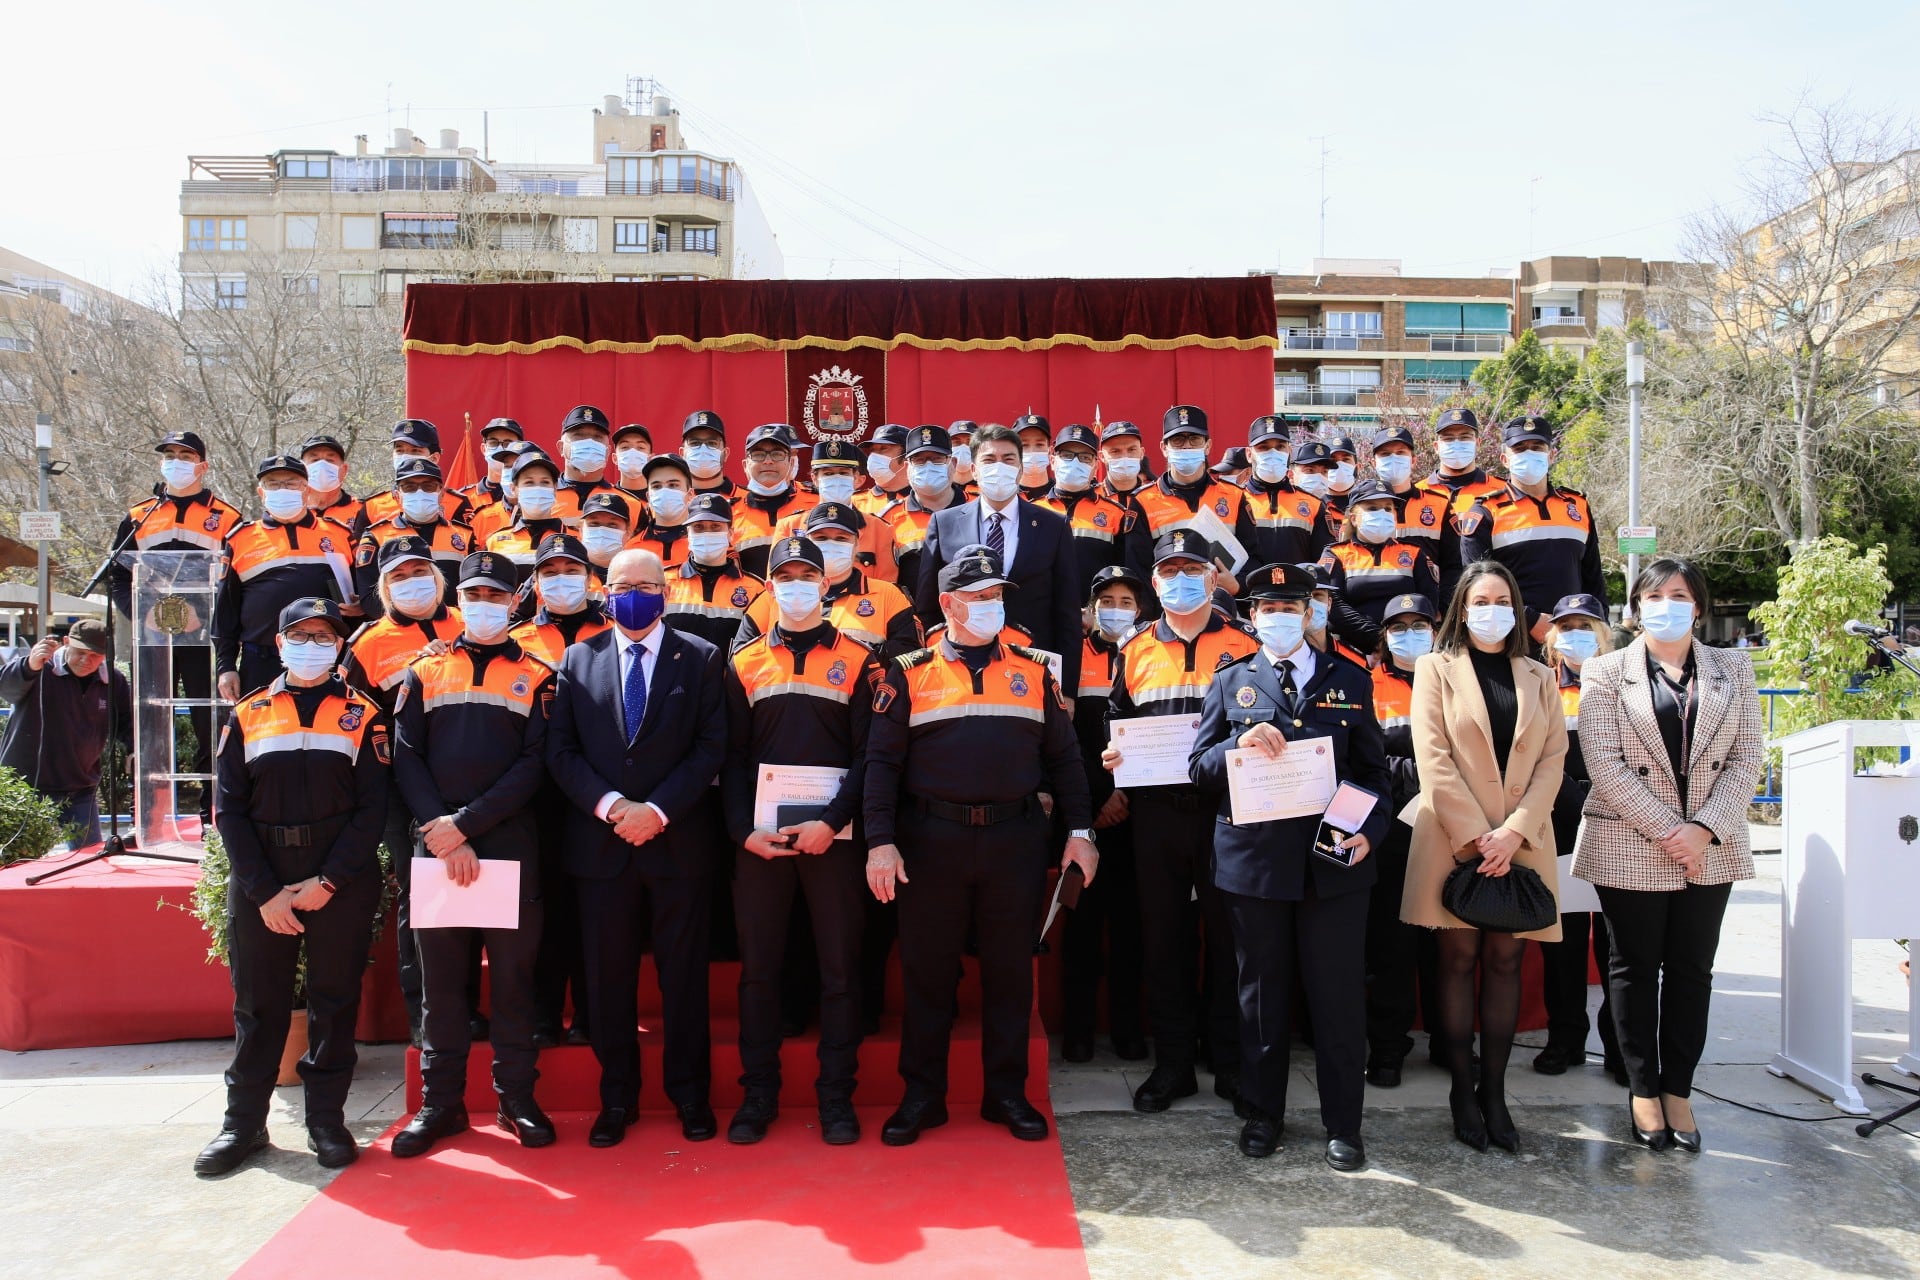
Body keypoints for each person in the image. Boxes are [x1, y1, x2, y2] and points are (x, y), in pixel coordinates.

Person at [864, 546, 1098, 1145]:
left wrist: (1080, 832)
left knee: (1010, 974)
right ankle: (922, 1096)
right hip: (930, 841)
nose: (992, 606)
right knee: (928, 974)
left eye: (997, 596)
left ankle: (1006, 1094)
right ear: (946, 604)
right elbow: (881, 765)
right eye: (978, 597)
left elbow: (1066, 760)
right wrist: (880, 842)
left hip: (1013, 840)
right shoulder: (908, 671)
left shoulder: (1032, 670)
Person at [1188, 563, 1391, 1169]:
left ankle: (1343, 1125)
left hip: (1333, 862)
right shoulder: (1231, 681)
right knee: (1260, 997)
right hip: (1257, 866)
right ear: (1251, 616)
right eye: (1267, 608)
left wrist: (1369, 833)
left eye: (1290, 607)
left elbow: (1373, 774)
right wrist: (1237, 746)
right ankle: (1263, 1113)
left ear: (1310, 613)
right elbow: (1199, 768)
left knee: (1337, 999)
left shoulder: (1350, 680)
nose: (1278, 616)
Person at [1572, 558, 1763, 1153]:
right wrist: (1669, 831)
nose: (1666, 604)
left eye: (1678, 594)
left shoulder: (1734, 668)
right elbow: (1603, 762)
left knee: (1691, 971)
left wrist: (1703, 828)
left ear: (1698, 605)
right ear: (1635, 608)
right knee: (1630, 970)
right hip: (1630, 843)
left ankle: (1678, 1088)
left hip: (1712, 847)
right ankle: (1642, 1090)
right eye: (1653, 595)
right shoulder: (1605, 672)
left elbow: (1747, 757)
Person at [195, 598, 388, 1177]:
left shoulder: (365, 714)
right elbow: (228, 810)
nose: (313, 644)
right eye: (300, 635)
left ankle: (326, 1120)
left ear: (339, 646)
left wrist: (328, 881)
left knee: (334, 1000)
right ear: (279, 644)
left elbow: (373, 809)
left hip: (338, 877)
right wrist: (265, 892)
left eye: (324, 636)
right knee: (258, 1003)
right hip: (264, 875)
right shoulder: (248, 712)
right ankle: (243, 1123)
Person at [544, 548, 727, 1147]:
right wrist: (613, 807)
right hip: (602, 848)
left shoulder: (700, 658)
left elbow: (710, 747)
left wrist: (658, 810)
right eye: (624, 585)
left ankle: (690, 1095)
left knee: (684, 979)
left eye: (647, 585)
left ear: (665, 591)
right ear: (606, 591)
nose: (635, 595)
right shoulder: (577, 660)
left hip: (678, 843)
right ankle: (616, 1098)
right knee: (608, 981)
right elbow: (561, 752)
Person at [389, 551, 557, 1156]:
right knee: (443, 987)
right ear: (458, 599)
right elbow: (405, 756)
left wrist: (465, 825)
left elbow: (535, 763)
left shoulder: (538, 674)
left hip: (508, 845)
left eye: (497, 595)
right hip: (434, 844)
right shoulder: (423, 670)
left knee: (513, 982)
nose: (485, 604)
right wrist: (442, 830)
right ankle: (442, 1104)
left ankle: (516, 1098)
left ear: (515, 603)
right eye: (474, 594)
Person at [1402, 559, 1568, 1154]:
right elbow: (1432, 755)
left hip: (1522, 841)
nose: (1492, 609)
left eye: (1503, 599)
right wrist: (1478, 837)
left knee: (1505, 963)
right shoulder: (1435, 668)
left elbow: (1554, 758)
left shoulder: (1538, 675)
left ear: (1516, 608)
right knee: (1457, 962)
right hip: (1454, 838)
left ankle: (1495, 1093)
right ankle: (1461, 1091)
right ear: (1462, 609)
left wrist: (1514, 833)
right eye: (1481, 600)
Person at [721, 535, 882, 1145]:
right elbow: (731, 759)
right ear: (770, 585)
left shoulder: (864, 660)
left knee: (841, 970)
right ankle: (758, 1094)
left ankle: (836, 1096)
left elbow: (872, 756)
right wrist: (743, 832)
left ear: (825, 585)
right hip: (762, 842)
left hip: (833, 840)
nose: (794, 586)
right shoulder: (741, 661)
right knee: (759, 971)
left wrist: (834, 822)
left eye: (805, 576)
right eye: (782, 576)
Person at [1102, 531, 1258, 1110]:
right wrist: (1114, 753)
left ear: (1214, 577)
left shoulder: (1246, 643)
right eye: (1169, 569)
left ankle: (1229, 1062)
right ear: (1155, 581)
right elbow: (1118, 714)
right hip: (1157, 816)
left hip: (1229, 814)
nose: (1181, 578)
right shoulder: (1135, 646)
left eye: (1193, 567)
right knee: (1163, 940)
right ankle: (1172, 1065)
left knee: (1229, 940)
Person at [342, 536, 463, 1041]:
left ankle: (471, 1007)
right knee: (423, 900)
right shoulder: (368, 643)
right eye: (398, 576)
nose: (411, 583)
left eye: (419, 572)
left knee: (479, 895)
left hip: (468, 783)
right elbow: (349, 718)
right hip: (400, 788)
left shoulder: (468, 618)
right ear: (385, 588)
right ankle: (425, 1016)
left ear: (437, 578)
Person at [508, 534, 611, 1047]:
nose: (562, 579)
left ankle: (591, 1014)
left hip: (596, 788)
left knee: (590, 909)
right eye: (550, 571)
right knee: (542, 908)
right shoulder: (517, 637)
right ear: (536, 581)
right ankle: (545, 1012)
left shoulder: (615, 632)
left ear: (591, 578)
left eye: (572, 569)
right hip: (534, 793)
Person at [111, 431, 245, 820]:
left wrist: (205, 616)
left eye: (185, 455)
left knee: (211, 723)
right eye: (168, 455)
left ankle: (211, 815)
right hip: (152, 639)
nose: (175, 461)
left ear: (202, 465)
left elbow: (236, 580)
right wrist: (141, 613)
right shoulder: (141, 515)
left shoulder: (229, 517)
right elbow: (119, 578)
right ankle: (148, 816)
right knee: (150, 725)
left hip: (204, 638)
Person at [914, 423, 1083, 691]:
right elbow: (927, 606)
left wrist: (1068, 689)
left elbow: (1067, 613)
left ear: (1020, 469)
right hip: (960, 667)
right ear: (973, 469)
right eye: (989, 459)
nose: (999, 467)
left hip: (1034, 666)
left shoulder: (1053, 525)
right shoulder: (944, 523)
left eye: (1008, 459)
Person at [1531, 593, 1624, 1081]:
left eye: (1585, 624)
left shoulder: (1627, 683)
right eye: (1565, 626)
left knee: (1616, 943)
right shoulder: (1542, 683)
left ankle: (1618, 1046)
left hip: (1617, 823)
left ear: (1603, 633)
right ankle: (1565, 1038)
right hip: (1560, 823)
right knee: (1561, 942)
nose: (1574, 634)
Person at [1062, 566, 1149, 1063]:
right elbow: (1062, 743)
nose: (1116, 608)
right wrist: (1095, 802)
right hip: (1084, 814)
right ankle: (1078, 1029)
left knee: (1132, 927)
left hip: (1137, 814)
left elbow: (1160, 735)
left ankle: (1127, 1028)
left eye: (1126, 600)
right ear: (1090, 609)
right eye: (1107, 599)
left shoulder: (1147, 654)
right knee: (1083, 927)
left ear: (1140, 609)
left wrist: (1127, 794)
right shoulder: (1068, 659)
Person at [1363, 593, 1437, 1088]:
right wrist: (1416, 770)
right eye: (1398, 627)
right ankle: (1388, 1046)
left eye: (1419, 625)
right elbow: (1365, 758)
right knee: (1389, 946)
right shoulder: (1366, 683)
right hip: (1390, 830)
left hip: (1450, 827)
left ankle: (1452, 1042)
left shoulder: (1457, 677)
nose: (1409, 635)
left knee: (1447, 945)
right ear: (1385, 638)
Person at [212, 455, 356, 702]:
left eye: (291, 483)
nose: (282, 490)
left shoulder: (339, 534)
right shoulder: (240, 539)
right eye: (273, 484)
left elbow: (360, 598)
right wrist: (225, 666)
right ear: (261, 492)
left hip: (326, 657)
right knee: (262, 737)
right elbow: (226, 611)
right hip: (261, 660)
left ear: (306, 489)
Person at [1456, 418, 1608, 646]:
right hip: (1514, 638)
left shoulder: (1576, 506)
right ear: (1505, 459)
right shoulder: (1485, 512)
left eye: (1537, 448)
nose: (1529, 454)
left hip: (1574, 636)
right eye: (1519, 449)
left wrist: (1600, 623)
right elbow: (1478, 585)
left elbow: (1593, 576)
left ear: (1552, 455)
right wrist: (1531, 620)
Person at [0, 619, 130, 846]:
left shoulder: (113, 680)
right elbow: (7, 690)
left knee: (89, 856)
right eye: (80, 652)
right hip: (25, 785)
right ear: (66, 642)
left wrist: (135, 751)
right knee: (18, 856)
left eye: (95, 656)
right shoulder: (38, 667)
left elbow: (125, 723)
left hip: (80, 786)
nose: (86, 661)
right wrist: (28, 666)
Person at [747, 503, 918, 658]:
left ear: (857, 544)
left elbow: (907, 654)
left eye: (841, 538)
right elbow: (743, 658)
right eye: (820, 538)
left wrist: (851, 659)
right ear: (808, 541)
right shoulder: (774, 595)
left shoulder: (889, 595)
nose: (831, 545)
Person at [1121, 405, 1259, 595]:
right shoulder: (1143, 501)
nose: (1186, 446)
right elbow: (1138, 569)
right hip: (1167, 610)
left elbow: (1254, 557)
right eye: (1177, 440)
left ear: (1207, 445)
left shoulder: (1234, 496)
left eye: (1194, 439)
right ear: (1164, 448)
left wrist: (1237, 585)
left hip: (1223, 608)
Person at [1318, 479, 1442, 649]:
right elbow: (1333, 604)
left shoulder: (1414, 553)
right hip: (1351, 648)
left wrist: (1396, 639)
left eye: (1388, 508)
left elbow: (1428, 602)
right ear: (1353, 518)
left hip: (1405, 644)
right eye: (1372, 508)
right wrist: (1377, 640)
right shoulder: (1336, 554)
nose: (1382, 513)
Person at [351, 457, 473, 619]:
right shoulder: (375, 536)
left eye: (428, 486)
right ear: (396, 495)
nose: (420, 492)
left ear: (442, 493)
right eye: (409, 487)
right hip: (399, 632)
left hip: (452, 627)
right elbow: (370, 597)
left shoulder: (465, 534)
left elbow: (471, 589)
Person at [1036, 423, 1131, 605]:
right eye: (1067, 455)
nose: (1075, 463)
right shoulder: (1032, 511)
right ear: (1053, 460)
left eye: (1085, 457)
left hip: (1096, 618)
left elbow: (1123, 574)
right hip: (1043, 616)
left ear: (1096, 466)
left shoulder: (1116, 513)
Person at [665, 493, 765, 650]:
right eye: (698, 527)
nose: (706, 533)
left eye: (715, 527)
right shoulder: (664, 581)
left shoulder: (756, 588)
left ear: (730, 533)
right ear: (687, 534)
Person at [1242, 416, 1334, 570]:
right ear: (1249, 454)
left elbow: (1324, 563)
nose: (1273, 453)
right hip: (1247, 593)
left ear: (1289, 451)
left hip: (1298, 592)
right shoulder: (1236, 500)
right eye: (1263, 447)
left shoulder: (1314, 505)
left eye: (1280, 447)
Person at [354, 419, 472, 539]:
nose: (405, 457)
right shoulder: (373, 506)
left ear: (434, 458)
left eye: (415, 451)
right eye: (400, 451)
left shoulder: (457, 503)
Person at [886, 426, 968, 595]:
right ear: (908, 466)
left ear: (952, 463)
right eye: (919, 460)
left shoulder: (978, 508)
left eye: (937, 458)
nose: (928, 465)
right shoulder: (888, 518)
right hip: (910, 618)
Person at [731, 424, 817, 579]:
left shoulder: (817, 504)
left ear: (791, 463)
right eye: (758, 454)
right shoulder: (728, 511)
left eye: (777, 454)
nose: (768, 461)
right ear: (745, 465)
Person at [1366, 425, 1453, 568]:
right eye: (1385, 454)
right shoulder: (1361, 507)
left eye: (1400, 452)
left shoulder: (1439, 504)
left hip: (1427, 589)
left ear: (1413, 460)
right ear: (1374, 463)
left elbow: (1452, 564)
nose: (1393, 458)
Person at [630, 454, 697, 571]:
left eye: (673, 485)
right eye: (657, 486)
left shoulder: (705, 542)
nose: (665, 491)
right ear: (648, 497)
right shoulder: (632, 549)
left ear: (690, 494)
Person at [299, 434, 363, 529]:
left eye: (330, 460)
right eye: (315, 460)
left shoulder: (363, 511)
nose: (322, 466)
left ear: (344, 470)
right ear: (302, 469)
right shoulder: (291, 514)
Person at [681, 410, 736, 498]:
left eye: (712, 443)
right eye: (695, 443)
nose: (703, 449)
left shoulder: (748, 501)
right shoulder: (673, 503)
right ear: (682, 454)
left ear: (726, 453)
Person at [1096, 420, 1151, 505]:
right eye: (1115, 451)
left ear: (1141, 453)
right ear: (1102, 456)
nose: (1124, 457)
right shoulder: (1091, 498)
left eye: (1131, 450)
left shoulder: (1158, 499)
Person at [610, 422, 655, 500]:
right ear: (615, 458)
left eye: (640, 447)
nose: (632, 451)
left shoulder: (659, 500)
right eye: (625, 447)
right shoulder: (606, 501)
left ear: (650, 459)